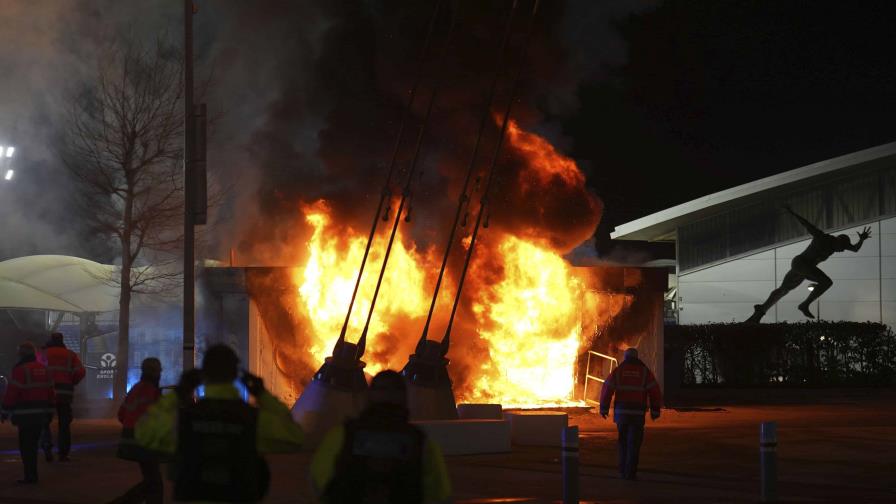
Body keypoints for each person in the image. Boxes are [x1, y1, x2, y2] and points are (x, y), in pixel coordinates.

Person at [135, 344, 303, 502]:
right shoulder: (253, 418)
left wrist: (179, 392)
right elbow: (294, 437)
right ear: (236, 374)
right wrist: (262, 394)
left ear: (203, 375)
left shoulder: (185, 418)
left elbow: (143, 433)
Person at [310, 370, 452, 504]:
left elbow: (319, 476)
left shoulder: (344, 433)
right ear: (403, 398)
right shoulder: (420, 440)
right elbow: (440, 492)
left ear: (370, 396)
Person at [748, 205, 871, 322]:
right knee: (826, 282)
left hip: (804, 268)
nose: (841, 251)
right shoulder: (821, 237)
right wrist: (791, 212)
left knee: (784, 290)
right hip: (800, 263)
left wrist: (861, 239)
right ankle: (804, 305)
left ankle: (760, 310)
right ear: (838, 240)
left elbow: (855, 249)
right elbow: (806, 224)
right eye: (842, 248)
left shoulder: (836, 246)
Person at [599, 347, 662, 481]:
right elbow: (654, 391)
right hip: (637, 415)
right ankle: (631, 473)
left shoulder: (619, 371)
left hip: (622, 415)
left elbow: (607, 388)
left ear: (626, 357)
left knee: (623, 442)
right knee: (634, 444)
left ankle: (622, 470)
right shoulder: (645, 372)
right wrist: (655, 410)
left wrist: (604, 408)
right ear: (637, 357)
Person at [108, 357, 165, 504]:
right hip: (144, 441)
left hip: (129, 438)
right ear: (157, 373)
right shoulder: (154, 392)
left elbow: (121, 415)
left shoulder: (135, 388)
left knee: (152, 481)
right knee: (154, 483)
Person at [1, 342, 55, 484]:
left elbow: (12, 392)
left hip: (25, 415)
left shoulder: (20, 370)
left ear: (21, 354)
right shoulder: (44, 369)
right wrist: (50, 412)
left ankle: (30, 476)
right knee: (34, 444)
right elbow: (50, 392)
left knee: (26, 447)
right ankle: (32, 474)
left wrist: (5, 411)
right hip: (40, 414)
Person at [40, 332, 86, 462]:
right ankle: (63, 453)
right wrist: (72, 381)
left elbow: (35, 369)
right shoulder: (70, 355)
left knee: (44, 421)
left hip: (46, 391)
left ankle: (47, 447)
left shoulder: (43, 354)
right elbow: (81, 371)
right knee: (64, 423)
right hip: (65, 391)